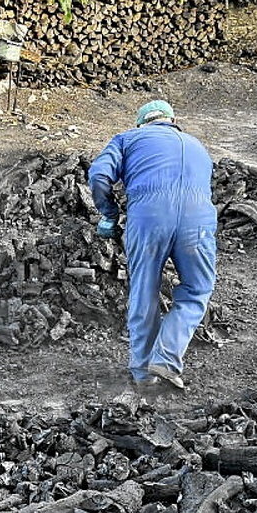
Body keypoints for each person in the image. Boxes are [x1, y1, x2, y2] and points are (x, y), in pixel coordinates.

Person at [88, 100, 217, 390]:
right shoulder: (197, 145)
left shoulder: (126, 139)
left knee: (144, 291)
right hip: (198, 221)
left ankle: (143, 372)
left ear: (141, 123)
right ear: (173, 120)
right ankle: (167, 358)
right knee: (198, 289)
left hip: (148, 218)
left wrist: (110, 214)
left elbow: (98, 175)